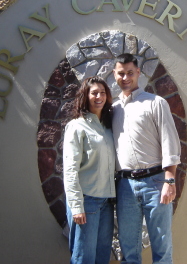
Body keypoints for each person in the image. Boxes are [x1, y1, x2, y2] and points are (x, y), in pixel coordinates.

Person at [112, 53, 181, 264]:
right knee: (129, 251)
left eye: (130, 73)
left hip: (156, 182)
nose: (126, 78)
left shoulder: (155, 103)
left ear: (138, 73)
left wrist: (170, 180)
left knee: (162, 249)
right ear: (114, 75)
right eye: (121, 74)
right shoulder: (111, 110)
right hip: (125, 186)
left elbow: (170, 142)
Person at [63, 76, 116, 264]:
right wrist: (76, 206)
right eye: (94, 93)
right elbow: (70, 170)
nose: (99, 96)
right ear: (85, 96)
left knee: (102, 257)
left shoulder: (108, 127)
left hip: (106, 203)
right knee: (84, 258)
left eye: (103, 92)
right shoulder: (77, 126)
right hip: (87, 201)